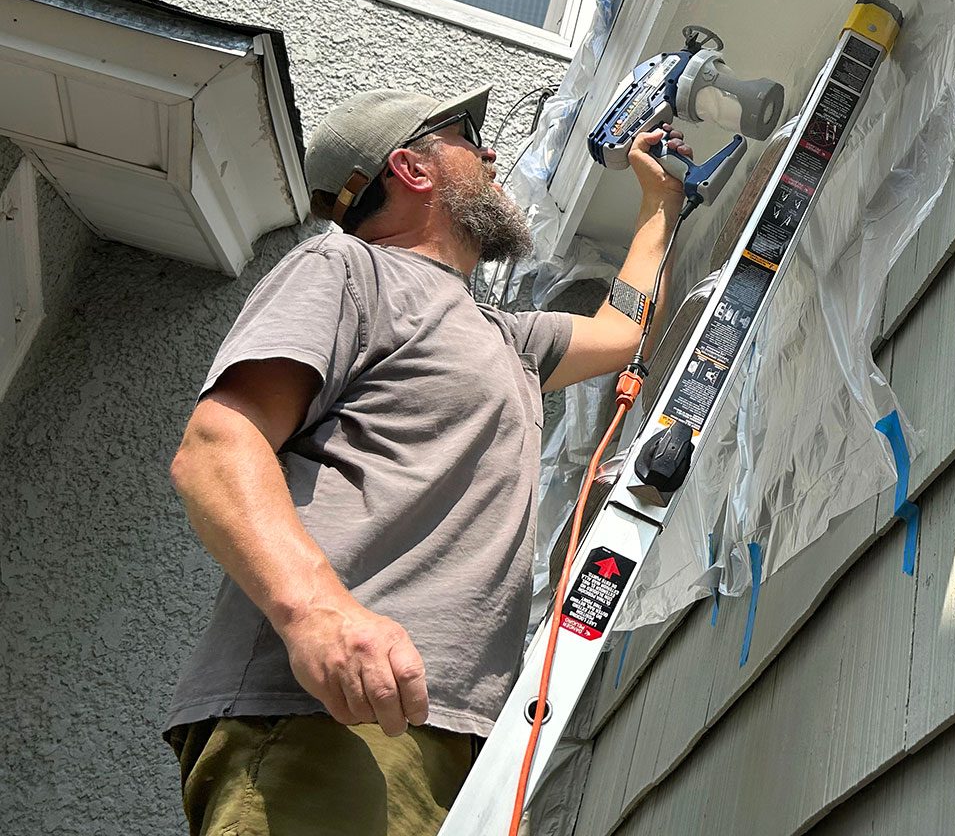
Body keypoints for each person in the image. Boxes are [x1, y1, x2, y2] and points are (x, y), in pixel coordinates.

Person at [162, 86, 689, 836]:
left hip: (450, 737)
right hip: (331, 718)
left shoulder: (504, 337)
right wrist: (316, 611)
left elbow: (620, 333)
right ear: (412, 167)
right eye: (471, 136)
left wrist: (659, 202)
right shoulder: (345, 269)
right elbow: (216, 447)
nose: (494, 153)